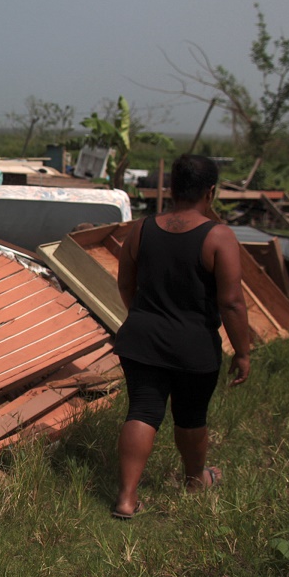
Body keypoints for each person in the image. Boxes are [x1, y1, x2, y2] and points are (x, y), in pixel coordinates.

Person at [110, 154, 251, 519]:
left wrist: (143, 318)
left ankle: (126, 498)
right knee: (191, 416)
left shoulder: (141, 229)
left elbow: (125, 283)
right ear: (211, 192)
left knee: (142, 409)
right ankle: (194, 481)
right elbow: (232, 302)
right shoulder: (219, 236)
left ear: (171, 189)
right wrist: (243, 351)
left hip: (141, 338)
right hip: (194, 345)